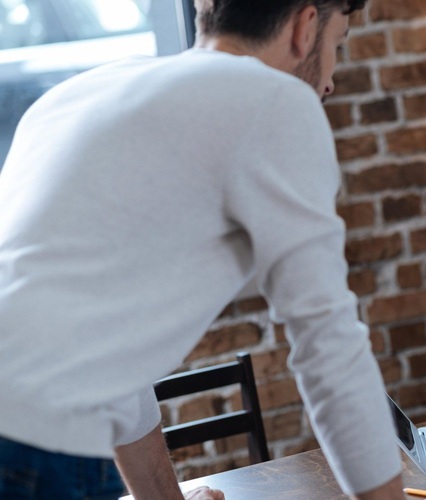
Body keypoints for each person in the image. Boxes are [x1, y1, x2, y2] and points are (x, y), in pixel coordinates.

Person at [0, 1, 405, 499]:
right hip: (33, 437)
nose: (329, 83)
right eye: (337, 44)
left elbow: (104, 352)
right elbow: (329, 345)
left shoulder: (73, 97)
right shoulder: (273, 101)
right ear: (304, 27)